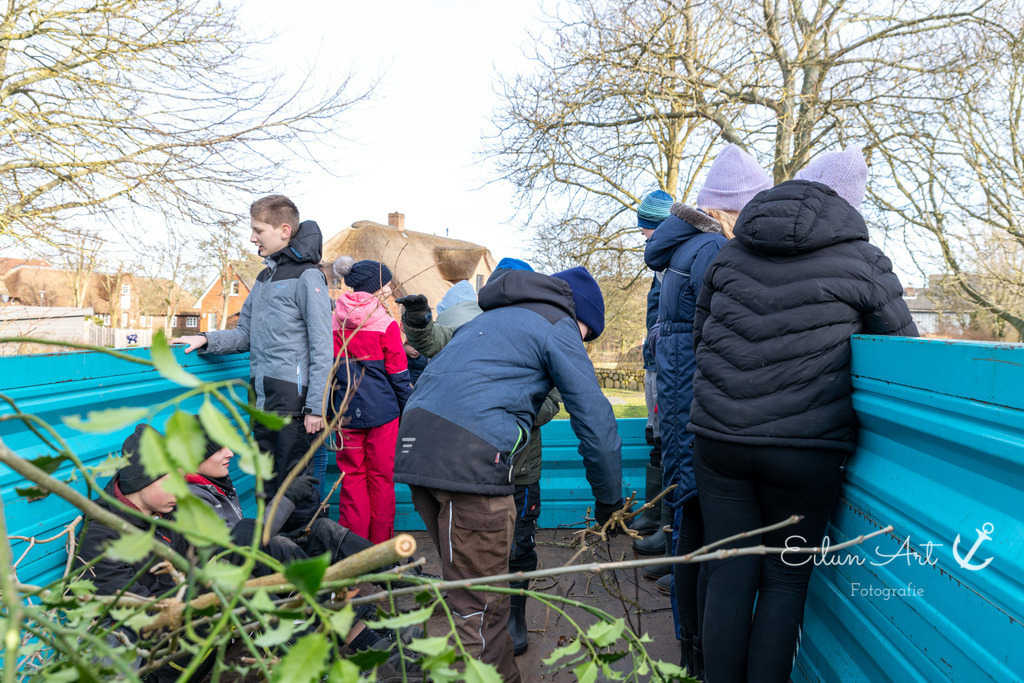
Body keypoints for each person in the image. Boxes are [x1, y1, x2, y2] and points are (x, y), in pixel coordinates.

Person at [689, 146, 918, 683]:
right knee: (785, 583)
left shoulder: (730, 252)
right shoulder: (864, 260)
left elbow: (703, 338)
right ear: (850, 202)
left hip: (718, 440)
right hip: (804, 448)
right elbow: (907, 352)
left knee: (728, 573)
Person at [393, 266, 623, 681]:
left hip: (417, 449)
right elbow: (595, 418)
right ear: (582, 319)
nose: (584, 343)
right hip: (470, 461)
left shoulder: (489, 320)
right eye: (589, 335)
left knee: (467, 594)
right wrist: (610, 501)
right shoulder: (558, 325)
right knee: (482, 608)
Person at [643, 144, 772, 672]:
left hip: (681, 402)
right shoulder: (715, 253)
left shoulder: (683, 251)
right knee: (701, 533)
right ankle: (696, 655)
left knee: (688, 524)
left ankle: (688, 649)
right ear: (733, 210)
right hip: (702, 405)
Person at [396, 258, 561, 656]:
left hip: (519, 468)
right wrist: (418, 321)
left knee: (519, 544)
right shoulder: (476, 329)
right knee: (469, 551)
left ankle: (515, 615)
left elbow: (554, 399)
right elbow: (434, 341)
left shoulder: (541, 336)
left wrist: (506, 411)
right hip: (473, 468)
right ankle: (476, 625)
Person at [172, 195, 332, 532]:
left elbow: (322, 344)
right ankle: (272, 559)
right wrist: (206, 339)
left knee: (294, 489)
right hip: (262, 401)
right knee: (267, 488)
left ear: (284, 230)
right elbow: (245, 334)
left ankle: (304, 562)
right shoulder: (262, 280)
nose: (252, 237)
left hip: (296, 402)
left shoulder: (308, 277)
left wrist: (316, 406)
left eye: (258, 230)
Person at [75, 424, 208, 682]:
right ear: (142, 478)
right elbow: (139, 612)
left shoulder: (169, 513)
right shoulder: (101, 536)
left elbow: (198, 558)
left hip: (176, 623)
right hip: (143, 638)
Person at [330, 256, 412, 544]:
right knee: (381, 479)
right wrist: (408, 411)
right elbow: (399, 375)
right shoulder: (385, 324)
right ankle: (380, 550)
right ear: (375, 287)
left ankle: (353, 549)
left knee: (351, 480)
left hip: (345, 411)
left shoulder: (334, 322)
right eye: (386, 285)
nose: (388, 290)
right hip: (383, 415)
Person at [630, 190, 674, 543]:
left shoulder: (673, 264)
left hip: (666, 366)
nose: (642, 235)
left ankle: (664, 522)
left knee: (667, 440)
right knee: (655, 436)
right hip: (654, 363)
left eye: (645, 229)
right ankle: (652, 512)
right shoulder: (660, 266)